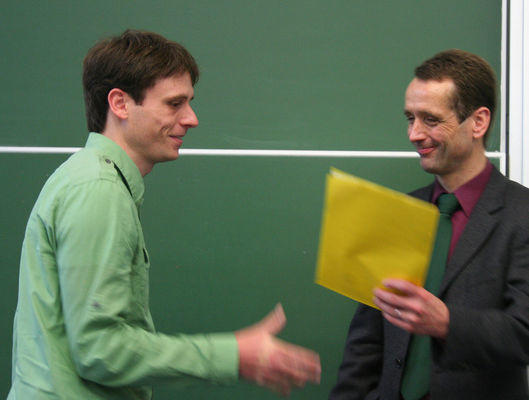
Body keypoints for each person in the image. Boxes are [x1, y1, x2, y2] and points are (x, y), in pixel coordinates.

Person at [8, 29, 320, 399]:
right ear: (120, 104)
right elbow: (99, 349)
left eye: (188, 103)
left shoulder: (90, 179)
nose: (192, 119)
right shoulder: (98, 189)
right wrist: (233, 355)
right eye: (174, 104)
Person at [329, 49, 529, 400]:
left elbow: (523, 332)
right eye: (410, 118)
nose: (414, 134)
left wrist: (447, 323)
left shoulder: (521, 213)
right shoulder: (396, 215)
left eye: (431, 120)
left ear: (478, 122)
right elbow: (365, 345)